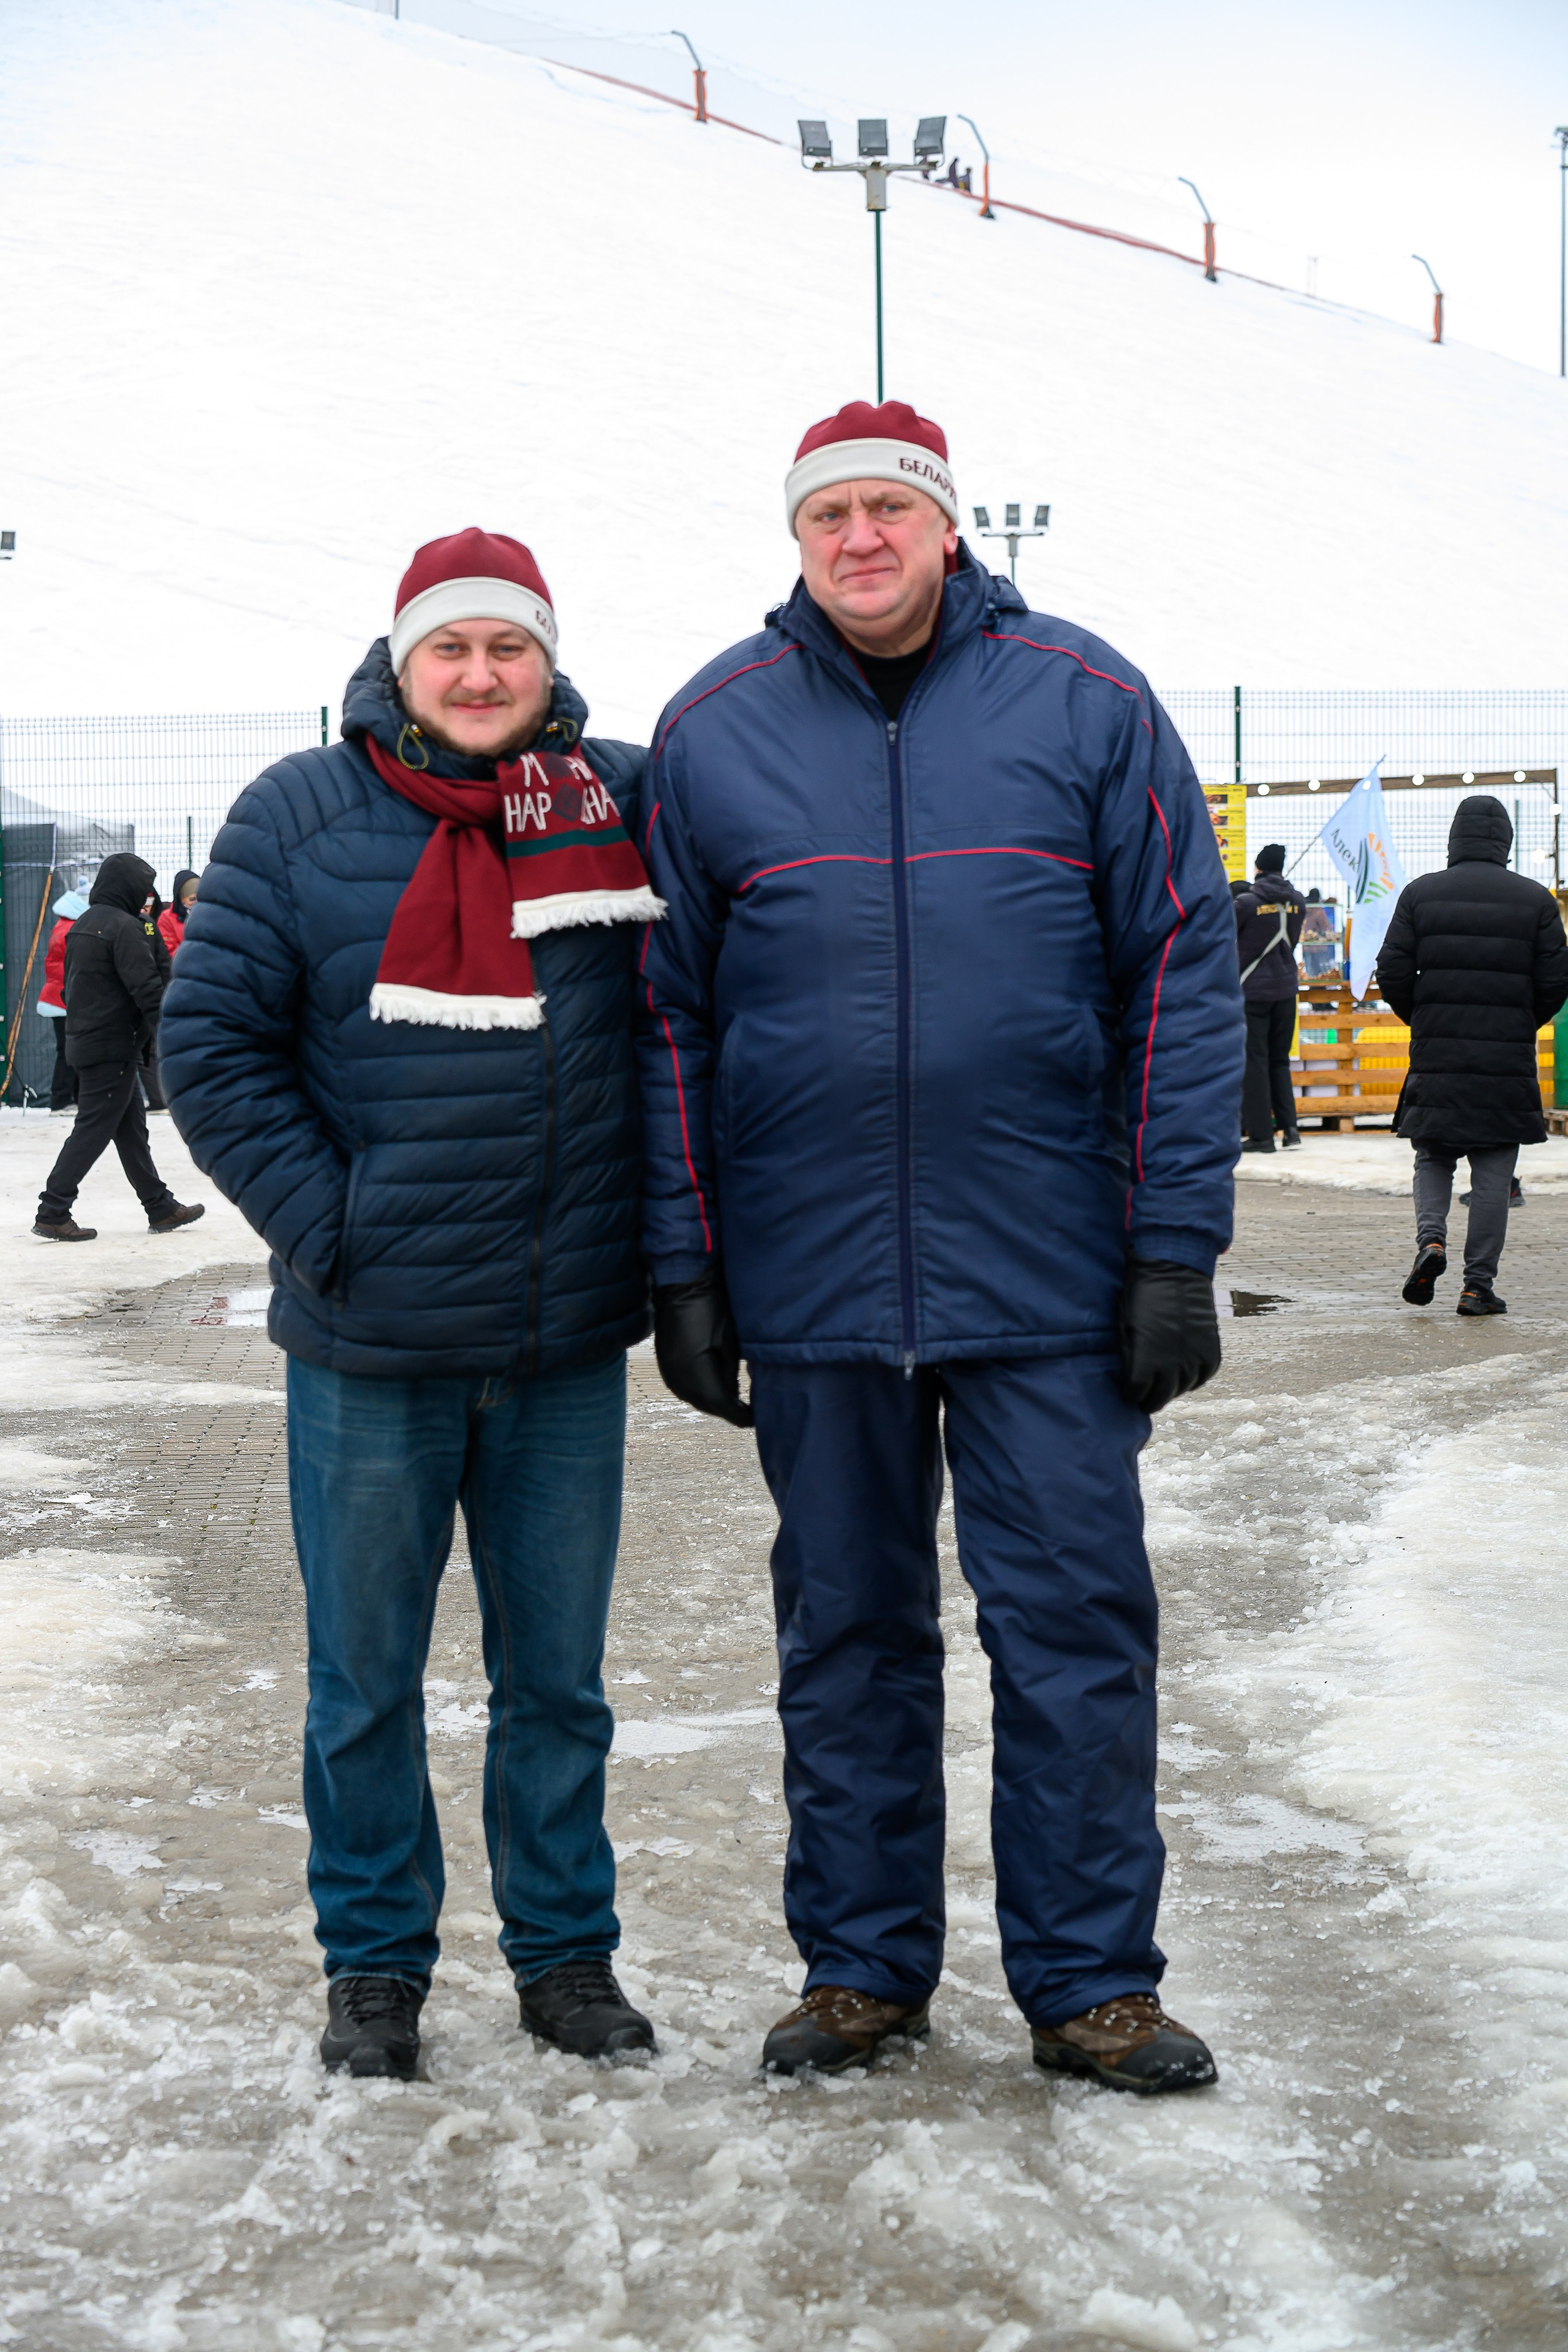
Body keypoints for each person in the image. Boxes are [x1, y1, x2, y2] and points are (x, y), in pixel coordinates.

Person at [638, 401, 1242, 2094]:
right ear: (796, 538)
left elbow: (1181, 983)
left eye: (889, 508)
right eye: (827, 513)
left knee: (1072, 1628)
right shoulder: (715, 731)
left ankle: (1090, 1986)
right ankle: (861, 1972)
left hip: (1047, 1270)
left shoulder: (1090, 702)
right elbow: (666, 1018)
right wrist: (687, 1265)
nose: (859, 538)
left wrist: (1172, 1247)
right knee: (848, 1632)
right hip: (813, 1276)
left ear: (949, 527)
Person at [160, 529, 662, 2085]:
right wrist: (330, 1227)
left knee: (556, 1683)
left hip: (562, 1340)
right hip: (368, 1345)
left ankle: (565, 1957)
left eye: (506, 646)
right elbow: (214, 1043)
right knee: (363, 1679)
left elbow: (690, 1024)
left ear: (546, 658)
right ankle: (374, 1963)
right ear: (399, 661)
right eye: (449, 647)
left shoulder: (619, 802)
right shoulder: (299, 816)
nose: (478, 673)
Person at [1378, 793, 1568, 1316]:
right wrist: (1521, 1021)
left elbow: (1391, 969)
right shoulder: (1535, 900)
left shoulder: (1421, 894)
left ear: (1454, 837)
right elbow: (1556, 980)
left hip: (1437, 1051)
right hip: (1505, 1059)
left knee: (1434, 1154)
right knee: (1493, 1166)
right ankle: (1476, 1287)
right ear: (1504, 841)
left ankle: (1431, 1242)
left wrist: (1424, 1017)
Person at [32, 854, 205, 1243]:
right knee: (93, 1129)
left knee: (130, 1130)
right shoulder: (124, 928)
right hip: (111, 1045)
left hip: (90, 1040)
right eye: (141, 887)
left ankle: (159, 1206)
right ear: (125, 886)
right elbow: (146, 988)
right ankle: (53, 1210)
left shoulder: (85, 924)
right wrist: (174, 1036)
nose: (146, 896)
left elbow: (69, 988)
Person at [1234, 844, 1306, 1153]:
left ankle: (1262, 1136)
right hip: (1287, 990)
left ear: (1257, 868)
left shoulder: (1245, 904)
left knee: (1256, 1062)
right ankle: (1291, 1130)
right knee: (1279, 1061)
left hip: (1253, 992)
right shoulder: (1298, 903)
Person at [35, 884, 90, 1112]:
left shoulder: (64, 926)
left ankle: (71, 1098)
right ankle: (61, 1099)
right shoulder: (71, 930)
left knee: (70, 1049)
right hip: (63, 999)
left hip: (61, 998)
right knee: (68, 1050)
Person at [158, 870, 199, 959]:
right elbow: (169, 950)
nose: (196, 903)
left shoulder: (207, 914)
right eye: (192, 899)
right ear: (182, 900)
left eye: (199, 898)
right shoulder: (167, 918)